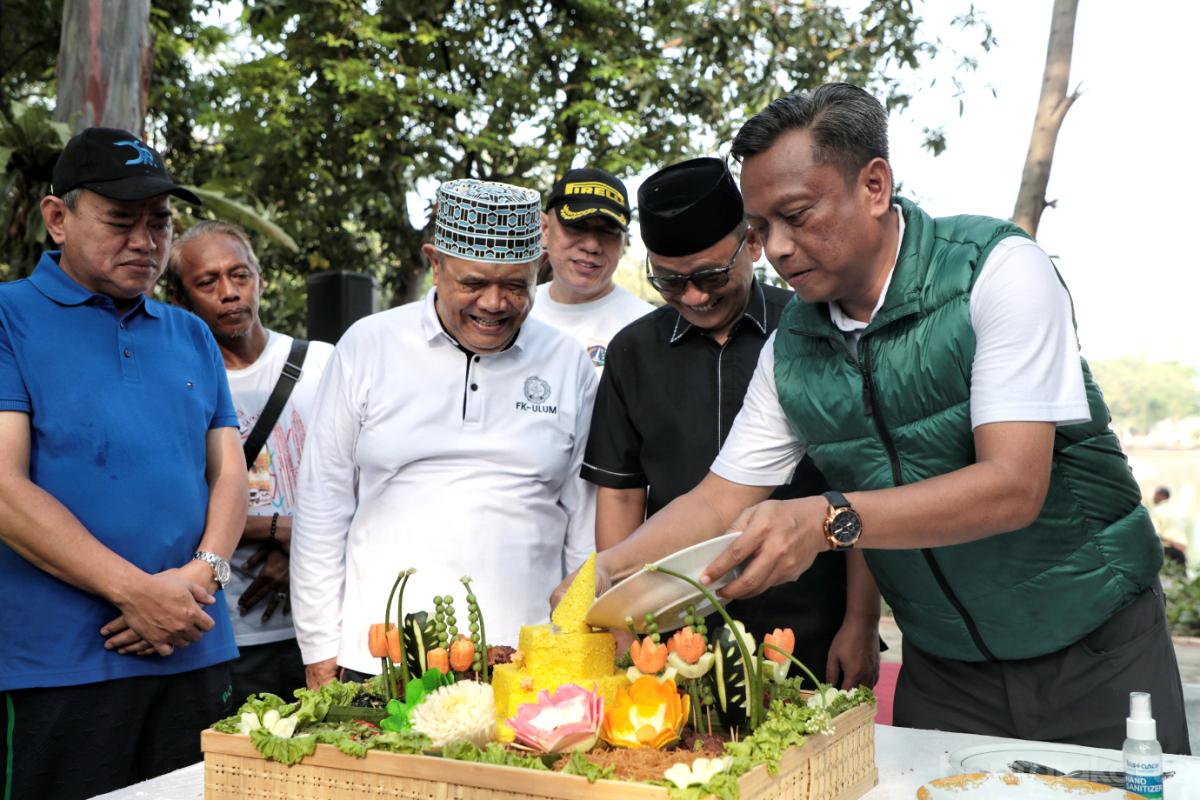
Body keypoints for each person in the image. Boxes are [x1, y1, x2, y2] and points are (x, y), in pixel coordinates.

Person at [563, 84, 1189, 753]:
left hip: (1096, 649)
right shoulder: (792, 350)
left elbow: (1014, 485)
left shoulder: (995, 272)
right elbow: (719, 500)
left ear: (874, 185)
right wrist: (609, 572)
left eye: (797, 215)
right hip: (944, 667)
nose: (776, 249)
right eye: (760, 229)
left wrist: (825, 519)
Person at [0, 128, 245, 798]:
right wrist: (135, 592)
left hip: (196, 647)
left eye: (159, 222)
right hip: (61, 665)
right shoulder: (8, 316)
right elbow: (3, 488)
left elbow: (228, 472)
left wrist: (202, 576)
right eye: (120, 221)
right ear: (57, 219)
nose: (146, 241)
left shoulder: (190, 332)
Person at [583, 157, 879, 688]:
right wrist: (617, 608)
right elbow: (623, 494)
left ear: (752, 243)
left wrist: (860, 620)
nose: (694, 297)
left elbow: (860, 489)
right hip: (671, 628)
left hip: (809, 620)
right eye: (671, 282)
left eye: (711, 275)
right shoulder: (632, 352)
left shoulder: (813, 334)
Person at [292, 179, 597, 689]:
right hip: (380, 657)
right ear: (435, 263)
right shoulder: (368, 346)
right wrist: (321, 649)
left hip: (524, 662)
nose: (495, 304)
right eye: (473, 283)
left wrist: (572, 644)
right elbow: (322, 505)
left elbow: (585, 522)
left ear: (538, 271)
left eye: (516, 286)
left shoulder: (568, 363)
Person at [168, 220, 335, 702]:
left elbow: (365, 481)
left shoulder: (323, 364)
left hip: (322, 621)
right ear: (180, 299)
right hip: (228, 627)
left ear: (259, 279)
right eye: (207, 282)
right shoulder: (180, 381)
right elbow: (177, 501)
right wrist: (284, 530)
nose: (229, 292)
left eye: (240, 275)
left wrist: (301, 553)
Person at [530, 168, 653, 372]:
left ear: (624, 241)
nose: (592, 246)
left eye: (607, 231)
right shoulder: (512, 313)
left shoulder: (648, 330)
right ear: (544, 229)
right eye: (576, 226)